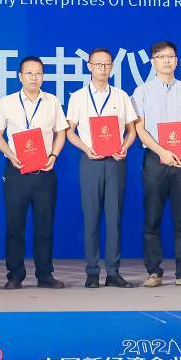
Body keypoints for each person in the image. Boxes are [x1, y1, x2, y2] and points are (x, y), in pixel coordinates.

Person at [130, 40, 181, 288]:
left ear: (177, 60)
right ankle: (154, 272)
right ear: (153, 62)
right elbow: (140, 129)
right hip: (155, 161)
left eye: (170, 56)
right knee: (152, 218)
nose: (166, 61)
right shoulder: (142, 92)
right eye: (161, 57)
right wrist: (162, 152)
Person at [65, 47, 138, 288]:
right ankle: (92, 271)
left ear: (112, 67)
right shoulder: (78, 97)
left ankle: (114, 272)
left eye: (107, 64)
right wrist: (86, 149)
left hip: (116, 162)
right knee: (91, 217)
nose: (103, 68)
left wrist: (125, 146)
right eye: (98, 64)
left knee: (114, 217)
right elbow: (69, 131)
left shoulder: (121, 96)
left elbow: (132, 130)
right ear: (89, 66)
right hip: (91, 161)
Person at [0, 55, 69, 289]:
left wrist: (54, 155)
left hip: (44, 172)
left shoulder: (52, 101)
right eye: (29, 73)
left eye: (38, 73)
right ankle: (15, 275)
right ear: (20, 76)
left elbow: (61, 132)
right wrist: (10, 155)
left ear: (43, 77)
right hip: (16, 171)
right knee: (14, 226)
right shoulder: (7, 102)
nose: (34, 77)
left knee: (44, 226)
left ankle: (45, 274)